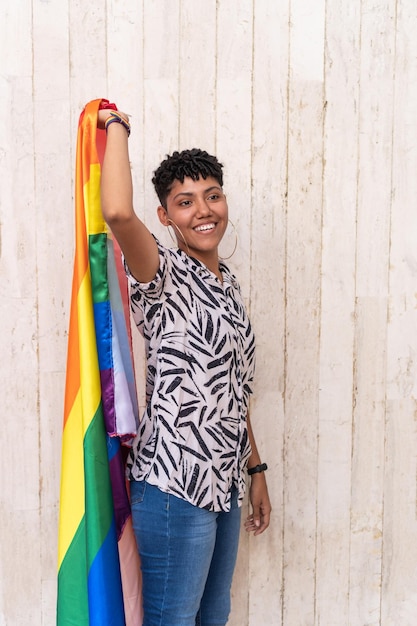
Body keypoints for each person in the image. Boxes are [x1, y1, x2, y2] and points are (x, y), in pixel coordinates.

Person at [98, 108, 271, 626]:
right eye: (185, 201)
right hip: (174, 485)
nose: (203, 210)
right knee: (172, 619)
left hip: (224, 483)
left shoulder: (230, 286)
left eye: (212, 195)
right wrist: (117, 127)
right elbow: (117, 213)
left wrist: (255, 469)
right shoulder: (160, 271)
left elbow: (232, 392)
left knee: (213, 616)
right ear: (165, 216)